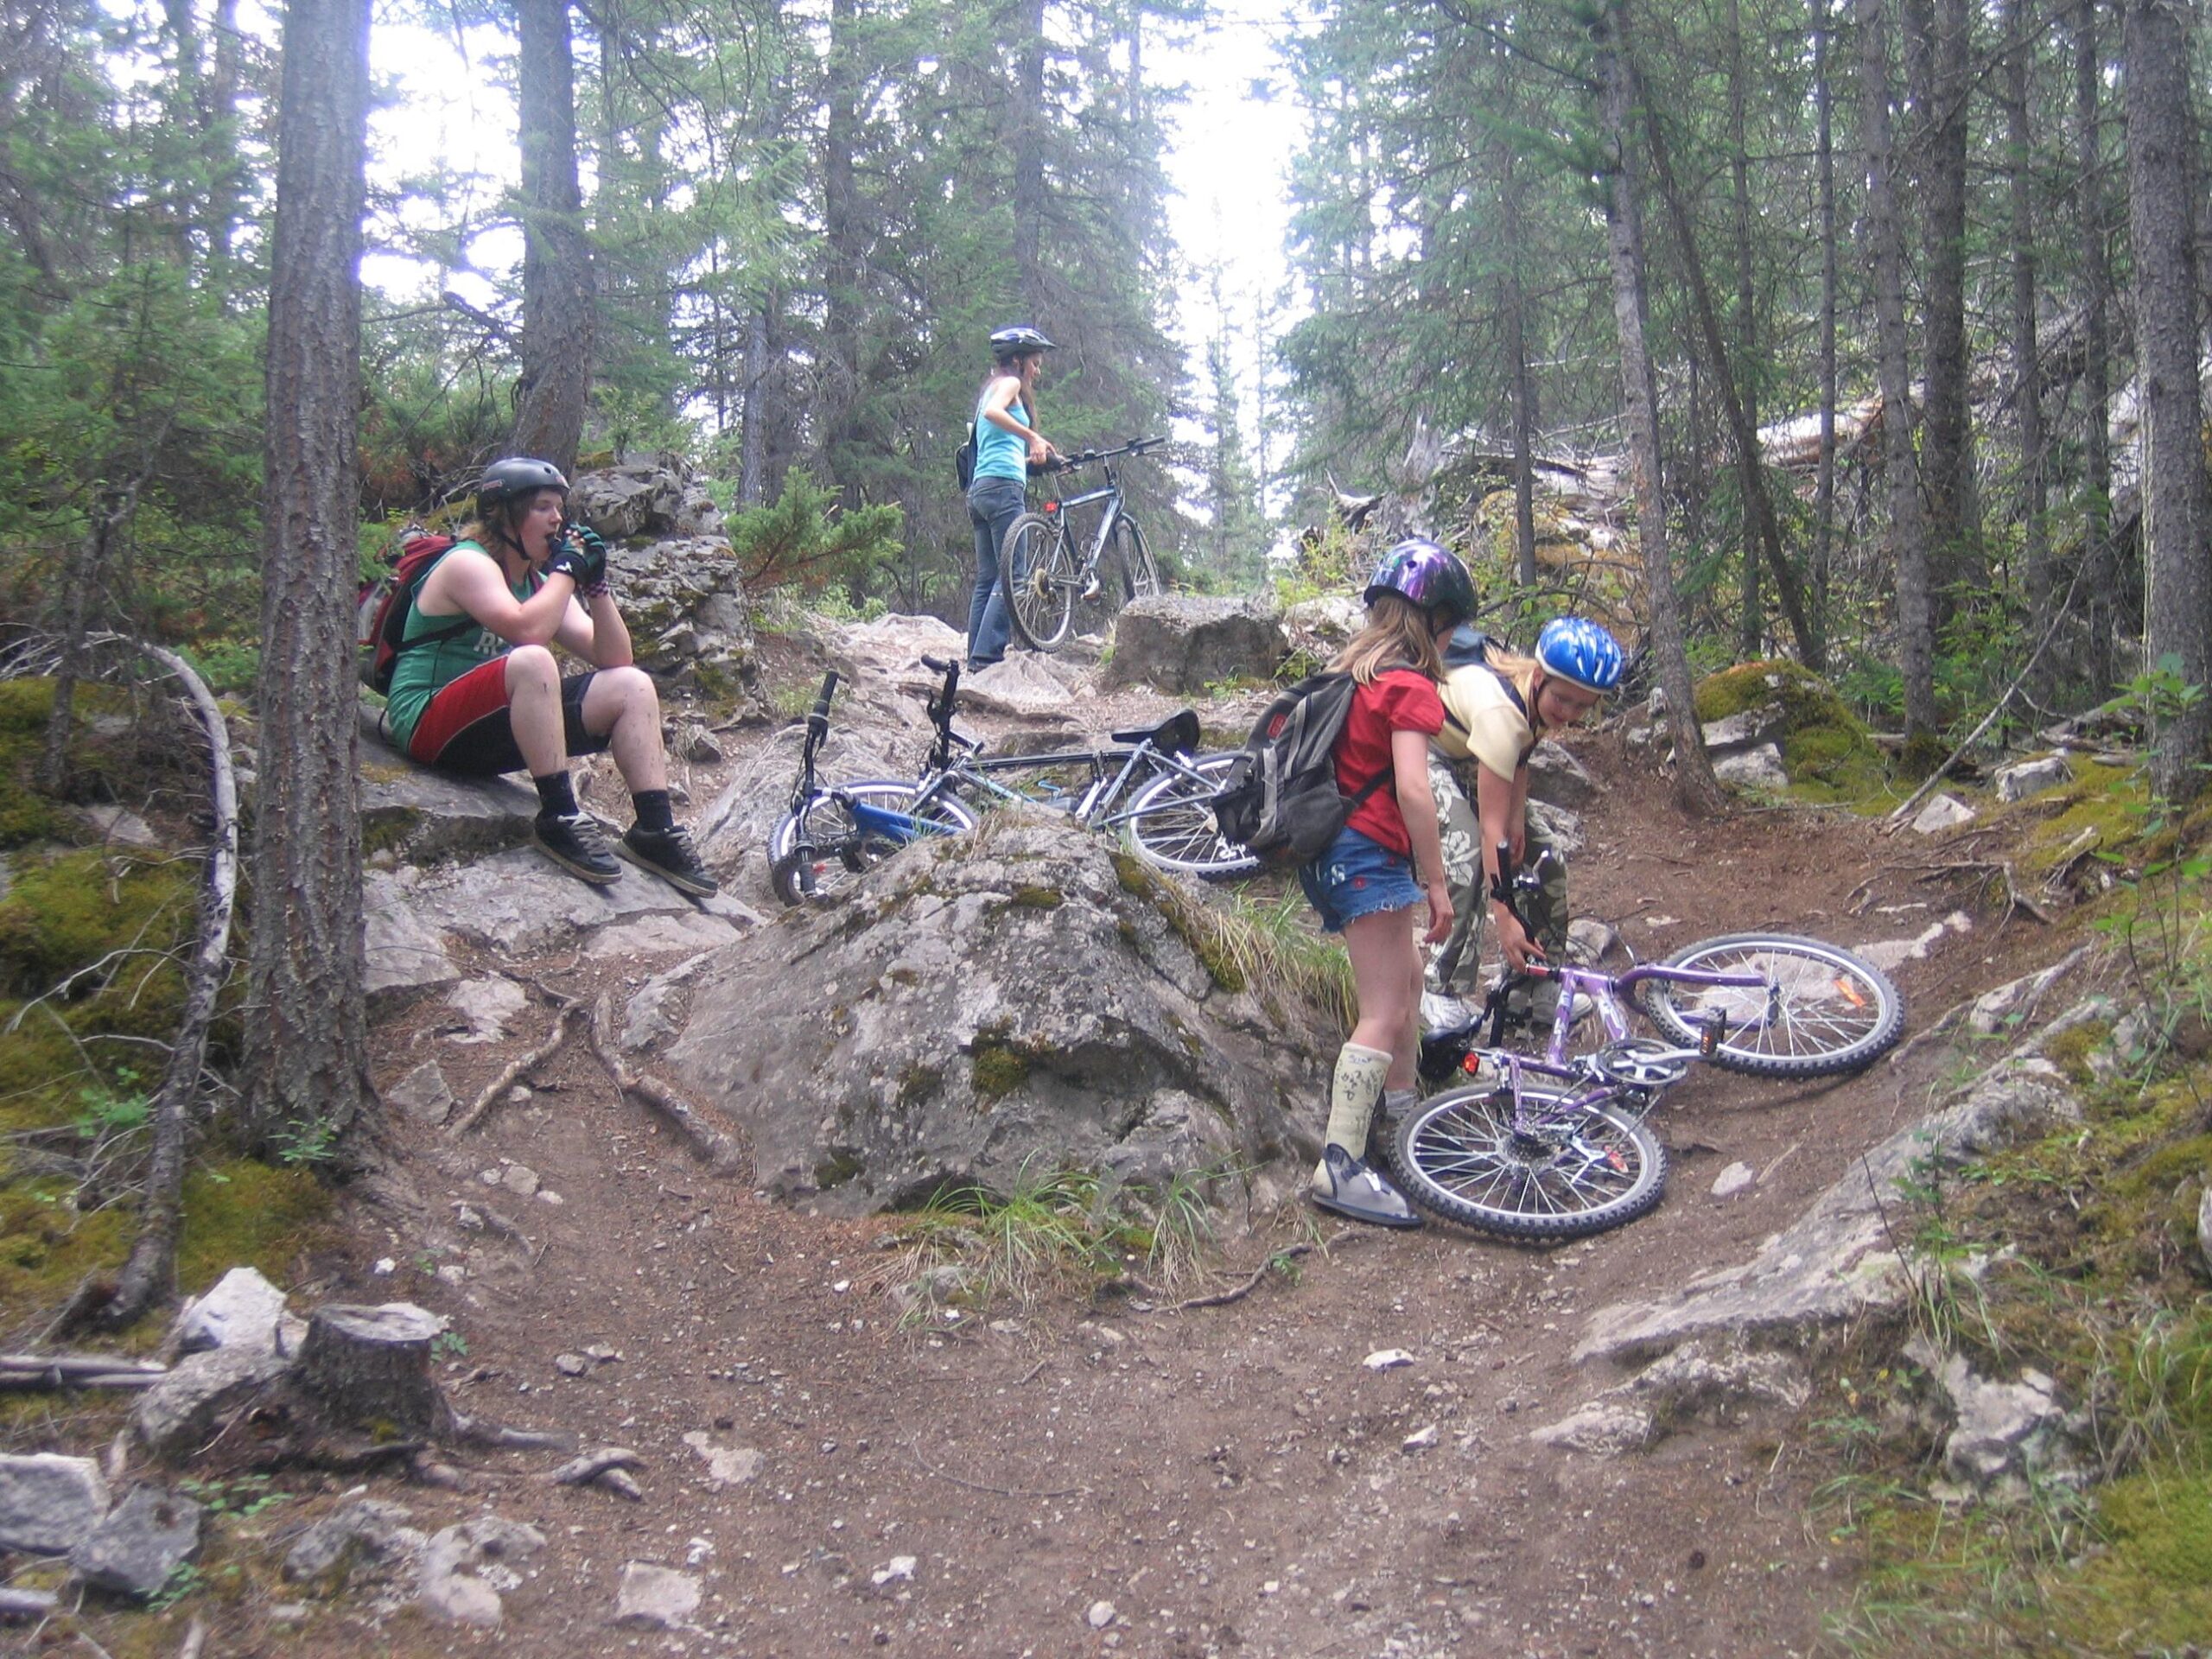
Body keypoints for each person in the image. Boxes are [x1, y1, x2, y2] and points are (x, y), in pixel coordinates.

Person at [382, 456, 719, 897]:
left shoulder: (539, 584)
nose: (558, 518)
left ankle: (655, 828)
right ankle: (559, 815)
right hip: (426, 721)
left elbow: (614, 656)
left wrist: (595, 584)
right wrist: (565, 571)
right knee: (534, 660)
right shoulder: (467, 563)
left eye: (560, 507)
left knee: (633, 685)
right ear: (503, 513)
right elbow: (528, 631)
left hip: (486, 730)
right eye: (543, 506)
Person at [1300, 539, 1478, 1229]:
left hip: (1339, 853)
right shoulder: (1407, 685)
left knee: (1406, 988)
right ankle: (1340, 1164)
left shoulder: (1352, 676)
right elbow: (1412, 788)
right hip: (1368, 854)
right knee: (1383, 1009)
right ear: (1435, 622)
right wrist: (1437, 884)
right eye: (1452, 627)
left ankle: (1406, 1131)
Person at [1426, 615, 1623, 1020]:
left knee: (1545, 855)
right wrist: (1505, 914)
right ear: (1539, 678)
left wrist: (1518, 818)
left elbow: (1520, 755)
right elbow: (1489, 831)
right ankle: (1440, 988)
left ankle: (1531, 989)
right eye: (1563, 699)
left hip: (1472, 750)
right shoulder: (1503, 710)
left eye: (1583, 705)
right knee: (1468, 853)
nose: (1569, 712)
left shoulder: (1536, 703)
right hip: (1427, 750)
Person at [963, 325, 1058, 669]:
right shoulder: (1009, 384)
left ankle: (974, 657)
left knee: (988, 578)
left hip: (981, 489)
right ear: (1017, 360)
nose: (1037, 369)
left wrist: (1032, 455)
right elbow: (995, 415)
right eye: (1034, 362)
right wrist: (1033, 436)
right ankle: (987, 658)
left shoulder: (989, 389)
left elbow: (995, 443)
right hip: (1003, 490)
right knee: (1013, 576)